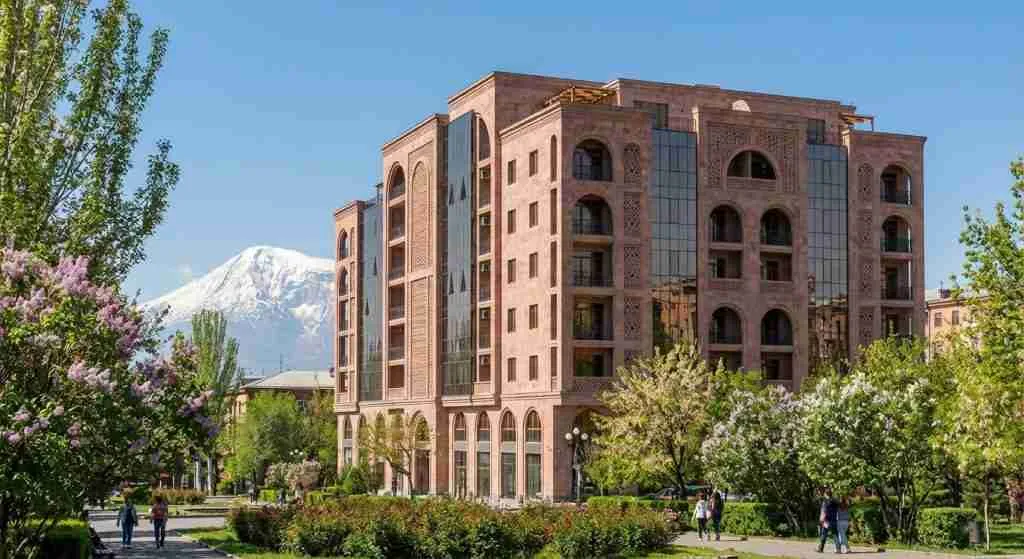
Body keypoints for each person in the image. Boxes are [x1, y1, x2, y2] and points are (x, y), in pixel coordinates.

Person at [817, 489, 839, 553]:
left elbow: (824, 511)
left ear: (826, 494)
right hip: (834, 520)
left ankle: (820, 549)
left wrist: (821, 520)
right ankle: (838, 549)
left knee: (824, 534)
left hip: (827, 520)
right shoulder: (835, 501)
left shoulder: (825, 502)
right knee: (835, 534)